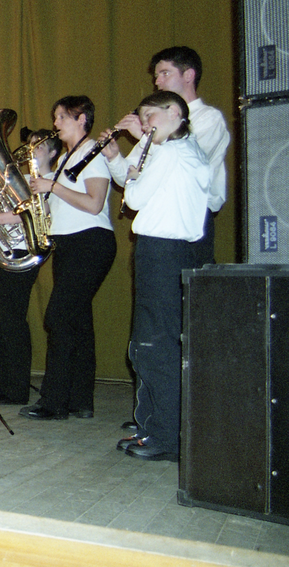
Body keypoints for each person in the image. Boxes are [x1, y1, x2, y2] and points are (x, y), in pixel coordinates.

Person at [104, 91, 209, 461]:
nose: (145, 122)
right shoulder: (178, 150)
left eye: (151, 114)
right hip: (165, 251)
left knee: (155, 348)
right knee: (152, 345)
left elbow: (133, 200)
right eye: (142, 114)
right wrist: (127, 163)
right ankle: (152, 429)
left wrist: (133, 175)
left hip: (163, 252)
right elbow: (136, 186)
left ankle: (165, 436)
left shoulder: (172, 153)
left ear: (175, 113)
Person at [21, 96, 116, 420]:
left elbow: (94, 203)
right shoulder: (68, 158)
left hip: (90, 242)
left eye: (61, 117)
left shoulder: (93, 155)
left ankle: (54, 402)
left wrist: (54, 187)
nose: (56, 123)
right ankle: (80, 400)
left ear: (81, 119)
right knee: (77, 321)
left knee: (58, 318)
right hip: (69, 244)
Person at [109, 46, 230, 267]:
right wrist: (114, 157)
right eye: (156, 76)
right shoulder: (155, 127)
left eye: (165, 73)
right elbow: (127, 178)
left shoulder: (209, 119)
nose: (157, 82)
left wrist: (143, 138)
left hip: (191, 216)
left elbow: (184, 161)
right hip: (158, 220)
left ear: (189, 75)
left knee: (189, 294)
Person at [0, 128, 58, 405]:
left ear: (53, 153)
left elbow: (37, 212)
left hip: (24, 253)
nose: (31, 150)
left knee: (11, 319)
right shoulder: (17, 179)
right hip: (0, 252)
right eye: (30, 145)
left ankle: (17, 386)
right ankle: (0, 382)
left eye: (39, 147)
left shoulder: (53, 181)